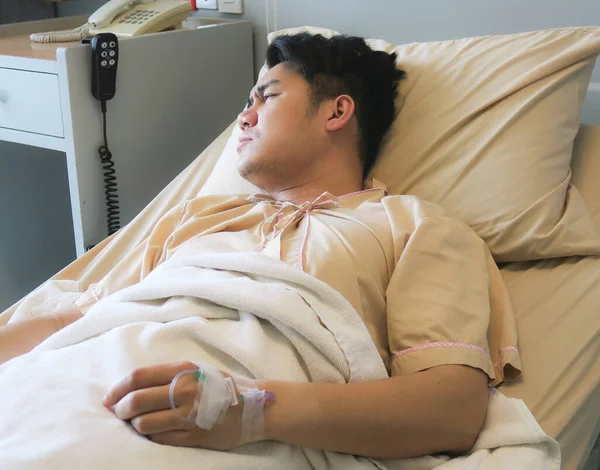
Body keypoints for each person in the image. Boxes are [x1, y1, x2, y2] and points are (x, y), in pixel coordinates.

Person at [0, 33, 520, 460]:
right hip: (61, 383)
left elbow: (450, 409)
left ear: (337, 112)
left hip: (185, 433)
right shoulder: (200, 217)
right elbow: (84, 321)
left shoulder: (413, 225)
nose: (243, 119)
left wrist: (248, 410)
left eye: (265, 97)